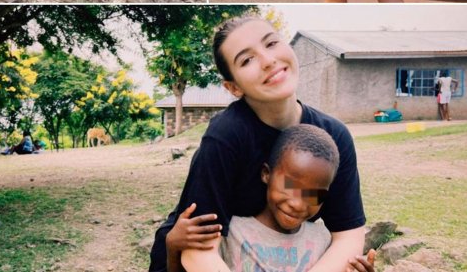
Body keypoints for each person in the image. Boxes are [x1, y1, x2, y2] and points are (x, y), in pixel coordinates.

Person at [150, 16, 366, 272]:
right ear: (233, 87)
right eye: (246, 60)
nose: (268, 60)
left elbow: (348, 235)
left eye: (271, 43)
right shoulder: (225, 137)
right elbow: (199, 250)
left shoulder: (334, 138)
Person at [172, 124, 376, 272]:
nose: (297, 203)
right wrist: (172, 246)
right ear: (266, 174)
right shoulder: (232, 233)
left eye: (314, 194)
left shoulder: (324, 242)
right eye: (290, 185)